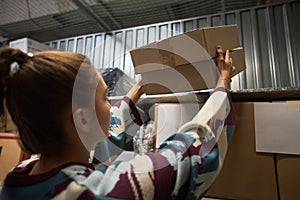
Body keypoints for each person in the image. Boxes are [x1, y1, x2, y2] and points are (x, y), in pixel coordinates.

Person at [0, 45, 235, 200]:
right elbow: (189, 155)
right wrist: (223, 83)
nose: (110, 107)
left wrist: (141, 86)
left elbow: (104, 142)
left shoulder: (18, 177)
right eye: (104, 98)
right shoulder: (105, 192)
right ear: (82, 118)